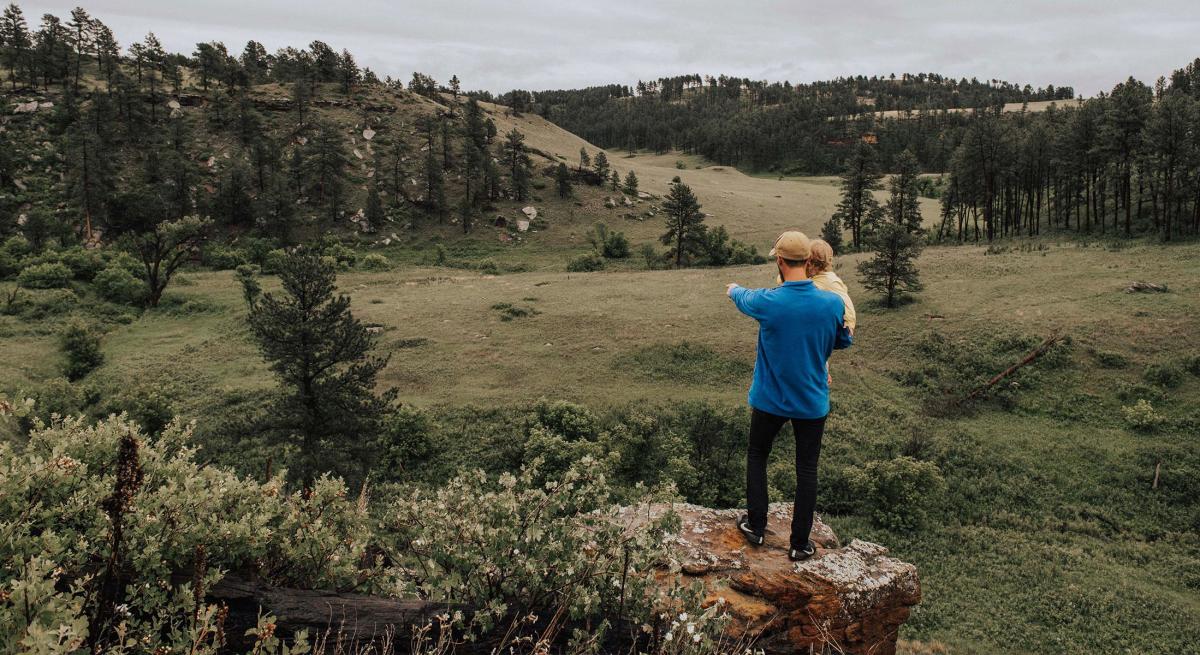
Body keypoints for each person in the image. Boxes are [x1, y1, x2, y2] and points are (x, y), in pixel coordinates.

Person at [725, 231, 852, 561]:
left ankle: (755, 525)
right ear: (809, 262)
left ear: (780, 262)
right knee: (807, 469)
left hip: (770, 399)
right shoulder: (832, 303)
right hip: (812, 401)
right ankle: (799, 544)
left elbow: (741, 297)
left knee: (757, 454)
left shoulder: (769, 301)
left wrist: (732, 288)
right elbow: (843, 340)